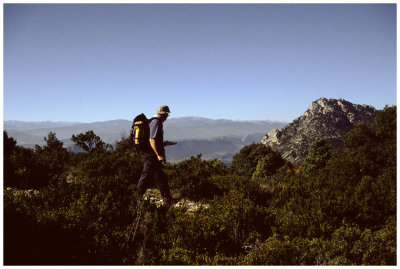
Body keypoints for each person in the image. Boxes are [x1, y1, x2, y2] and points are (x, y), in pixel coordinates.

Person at [137, 105, 177, 207]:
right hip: (152, 154)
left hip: (151, 153)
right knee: (146, 175)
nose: (167, 117)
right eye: (167, 115)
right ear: (163, 114)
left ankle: (167, 199)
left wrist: (165, 143)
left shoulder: (152, 121)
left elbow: (153, 140)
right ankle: (136, 197)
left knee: (160, 176)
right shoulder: (156, 122)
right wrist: (158, 154)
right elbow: (152, 140)